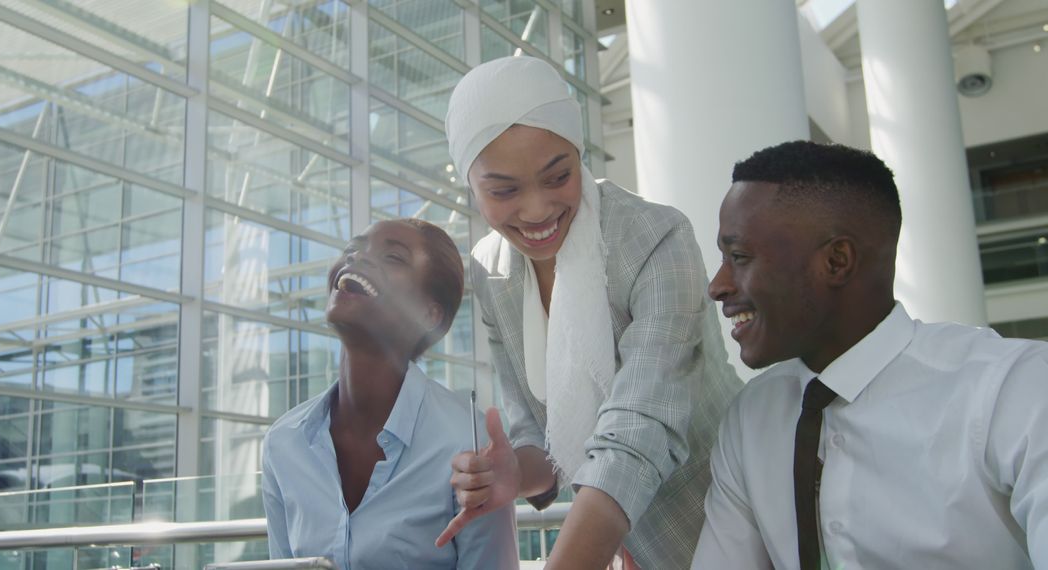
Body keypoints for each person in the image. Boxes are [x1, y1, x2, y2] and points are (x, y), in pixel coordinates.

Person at [434, 56, 742, 568]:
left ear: (579, 156)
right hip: (627, 542)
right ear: (471, 184)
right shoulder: (490, 274)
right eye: (504, 190)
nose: (535, 211)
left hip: (729, 515)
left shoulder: (654, 239)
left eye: (559, 176)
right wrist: (513, 472)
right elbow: (537, 435)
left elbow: (640, 430)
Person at [692, 140, 1048, 569]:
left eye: (740, 257)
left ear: (837, 262)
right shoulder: (751, 419)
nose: (718, 285)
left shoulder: (1015, 391)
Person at [260, 219, 518, 569]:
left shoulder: (467, 445)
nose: (356, 259)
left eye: (393, 257)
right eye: (352, 249)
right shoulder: (283, 444)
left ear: (429, 314)